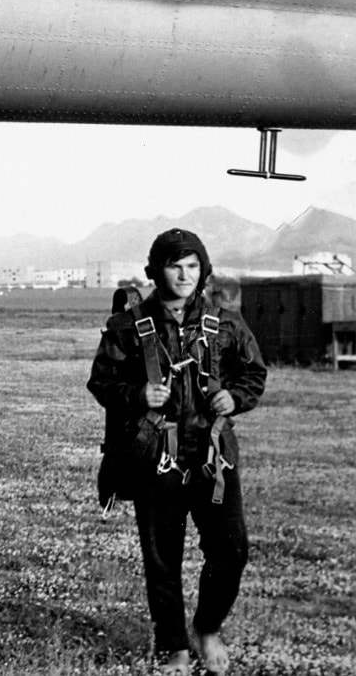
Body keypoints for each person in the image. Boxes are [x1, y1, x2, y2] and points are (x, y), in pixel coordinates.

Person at [89, 228, 267, 676]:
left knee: (231, 551)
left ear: (203, 271)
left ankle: (207, 628)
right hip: (156, 457)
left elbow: (253, 373)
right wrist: (137, 395)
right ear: (156, 271)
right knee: (162, 560)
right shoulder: (126, 327)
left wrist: (234, 397)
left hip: (213, 456)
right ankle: (174, 647)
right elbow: (102, 381)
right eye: (175, 266)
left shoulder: (226, 323)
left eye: (192, 266)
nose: (184, 276)